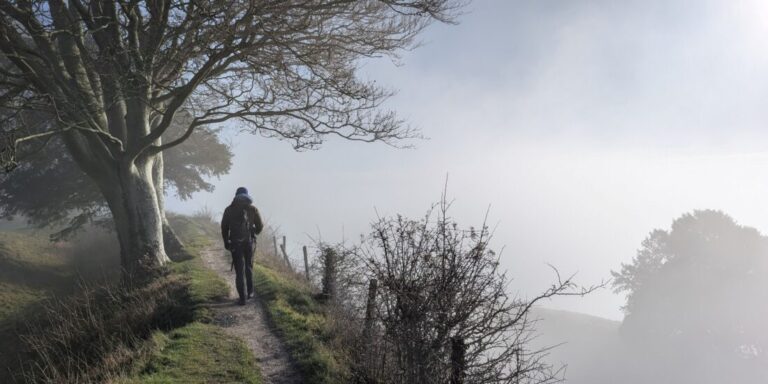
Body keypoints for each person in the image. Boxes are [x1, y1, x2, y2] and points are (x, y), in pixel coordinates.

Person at [221, 187, 264, 305]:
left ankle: (242, 298)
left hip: (235, 243)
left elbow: (224, 228)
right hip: (248, 242)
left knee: (239, 271)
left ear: (236, 196)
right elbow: (260, 226)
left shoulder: (229, 210)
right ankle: (250, 292)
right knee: (249, 267)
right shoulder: (253, 209)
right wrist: (253, 232)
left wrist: (226, 242)